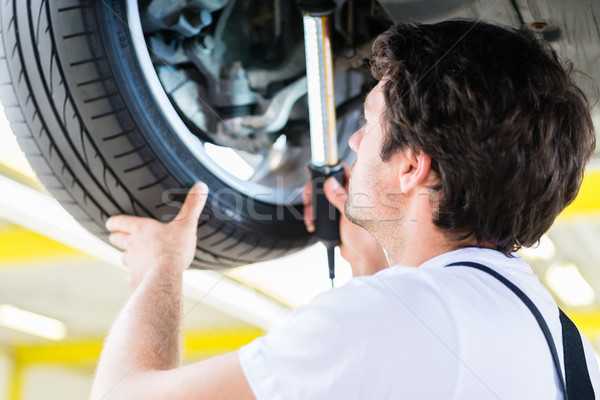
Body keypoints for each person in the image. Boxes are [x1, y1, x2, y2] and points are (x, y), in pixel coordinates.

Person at [92, 19, 599, 399]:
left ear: (411, 169)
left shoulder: (380, 319)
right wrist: (373, 269)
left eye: (368, 123)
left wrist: (160, 267)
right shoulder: (567, 347)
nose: (353, 139)